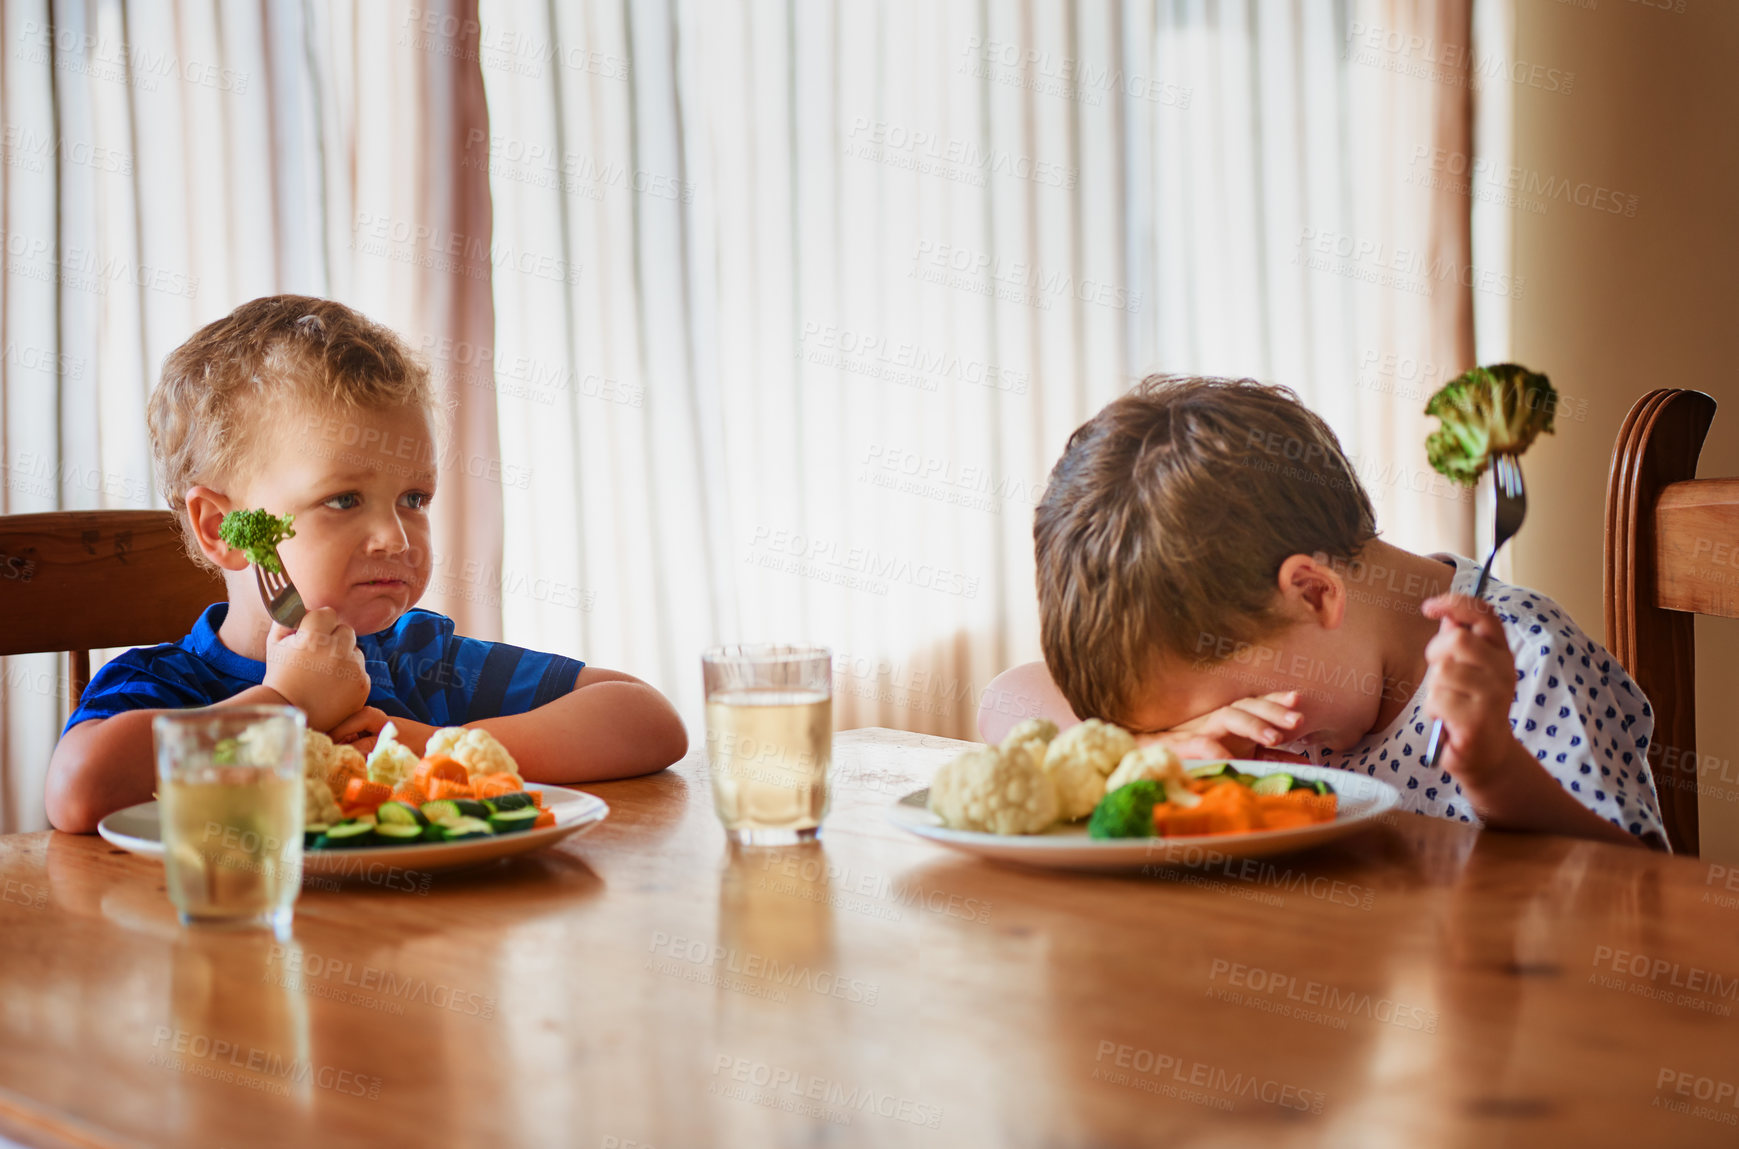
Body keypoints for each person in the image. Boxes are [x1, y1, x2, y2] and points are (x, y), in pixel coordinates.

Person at [45, 296, 687, 833]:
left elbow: (646, 719)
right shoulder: (172, 687)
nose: (395, 536)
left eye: (414, 498)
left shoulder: (416, 658)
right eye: (343, 499)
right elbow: (81, 790)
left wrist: (433, 746)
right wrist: (284, 705)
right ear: (225, 529)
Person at [979, 375, 1665, 849]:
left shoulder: (1524, 666)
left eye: (1233, 705)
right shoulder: (1261, 642)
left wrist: (1494, 773)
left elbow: (1639, 898)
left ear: (1313, 594)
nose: (1228, 734)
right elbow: (1003, 701)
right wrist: (1150, 749)